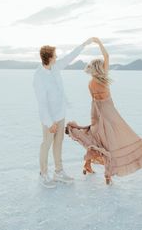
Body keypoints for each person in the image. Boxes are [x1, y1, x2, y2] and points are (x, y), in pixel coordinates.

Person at [66, 37, 142, 185]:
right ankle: (107, 173)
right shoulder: (103, 79)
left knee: (98, 141)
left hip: (97, 112)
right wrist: (99, 43)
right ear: (101, 68)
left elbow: (94, 101)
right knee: (113, 142)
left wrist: (95, 119)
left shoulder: (91, 83)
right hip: (110, 113)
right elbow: (107, 56)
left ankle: (88, 164)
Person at [33, 38, 93, 188]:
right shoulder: (39, 76)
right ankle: (43, 173)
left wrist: (84, 44)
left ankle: (58, 172)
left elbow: (70, 57)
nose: (57, 57)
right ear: (49, 58)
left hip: (60, 114)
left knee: (58, 143)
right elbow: (42, 103)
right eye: (55, 55)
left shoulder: (55, 67)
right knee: (46, 144)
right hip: (49, 118)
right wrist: (49, 122)